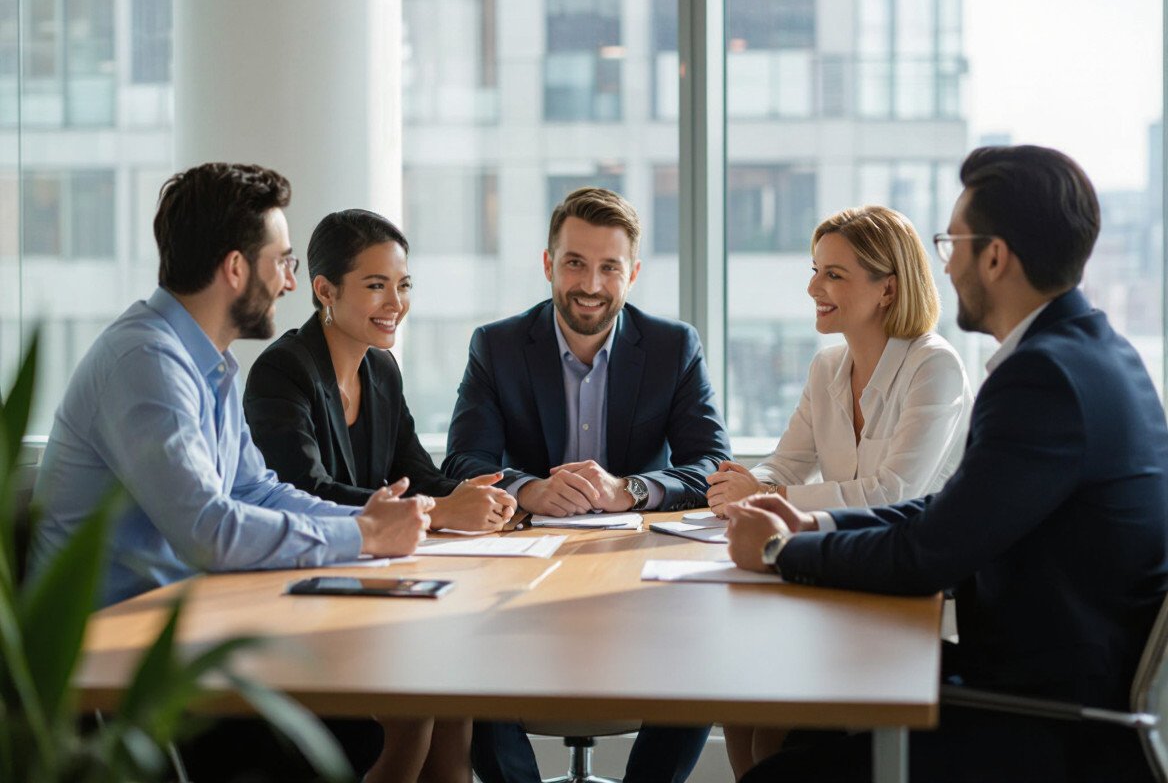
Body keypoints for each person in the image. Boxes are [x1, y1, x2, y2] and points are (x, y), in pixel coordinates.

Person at [726, 145, 1168, 783]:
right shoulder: (1093, 353)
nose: (947, 263)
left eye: (951, 242)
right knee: (780, 710)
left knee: (783, 766)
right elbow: (951, 513)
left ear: (994, 256)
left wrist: (778, 553)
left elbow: (928, 555)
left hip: (1049, 718)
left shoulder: (1042, 377)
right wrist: (810, 530)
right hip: (1052, 685)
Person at [31, 162, 433, 781]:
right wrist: (363, 537)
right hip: (114, 667)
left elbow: (254, 488)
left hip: (184, 630)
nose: (292, 283)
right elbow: (208, 530)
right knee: (357, 729)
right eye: (284, 261)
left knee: (387, 710)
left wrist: (369, 521)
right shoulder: (147, 362)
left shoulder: (208, 362)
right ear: (236, 269)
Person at [443, 186, 732, 783]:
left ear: (633, 274)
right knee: (460, 645)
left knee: (708, 647)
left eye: (609, 268)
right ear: (549, 263)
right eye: (574, 262)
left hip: (636, 577)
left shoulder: (674, 346)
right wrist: (527, 489)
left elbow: (710, 465)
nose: (591, 285)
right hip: (520, 576)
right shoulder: (496, 347)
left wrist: (630, 488)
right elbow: (462, 462)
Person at [243, 208, 515, 783]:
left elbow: (416, 471)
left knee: (453, 696)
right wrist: (440, 510)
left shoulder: (382, 369)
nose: (395, 302)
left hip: (374, 585)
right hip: (306, 599)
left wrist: (486, 496)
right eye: (375, 286)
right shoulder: (282, 372)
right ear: (324, 290)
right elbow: (300, 490)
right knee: (418, 706)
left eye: (403, 284)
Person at [709, 205, 973, 778]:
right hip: (832, 575)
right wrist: (752, 487)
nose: (813, 287)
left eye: (834, 274)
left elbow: (893, 492)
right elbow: (787, 464)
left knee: (770, 725)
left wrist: (770, 500)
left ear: (887, 289)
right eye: (815, 270)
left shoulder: (935, 367)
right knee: (738, 697)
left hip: (895, 592)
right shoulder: (828, 367)